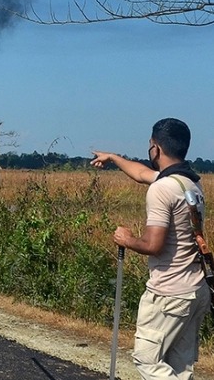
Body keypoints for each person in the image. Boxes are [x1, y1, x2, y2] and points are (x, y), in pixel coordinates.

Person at [91, 118, 210, 380]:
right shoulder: (188, 184)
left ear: (155, 147)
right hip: (194, 289)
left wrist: (127, 239)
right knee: (179, 366)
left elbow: (153, 245)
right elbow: (141, 173)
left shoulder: (162, 189)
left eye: (149, 145)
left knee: (147, 359)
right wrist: (113, 157)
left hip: (169, 293)